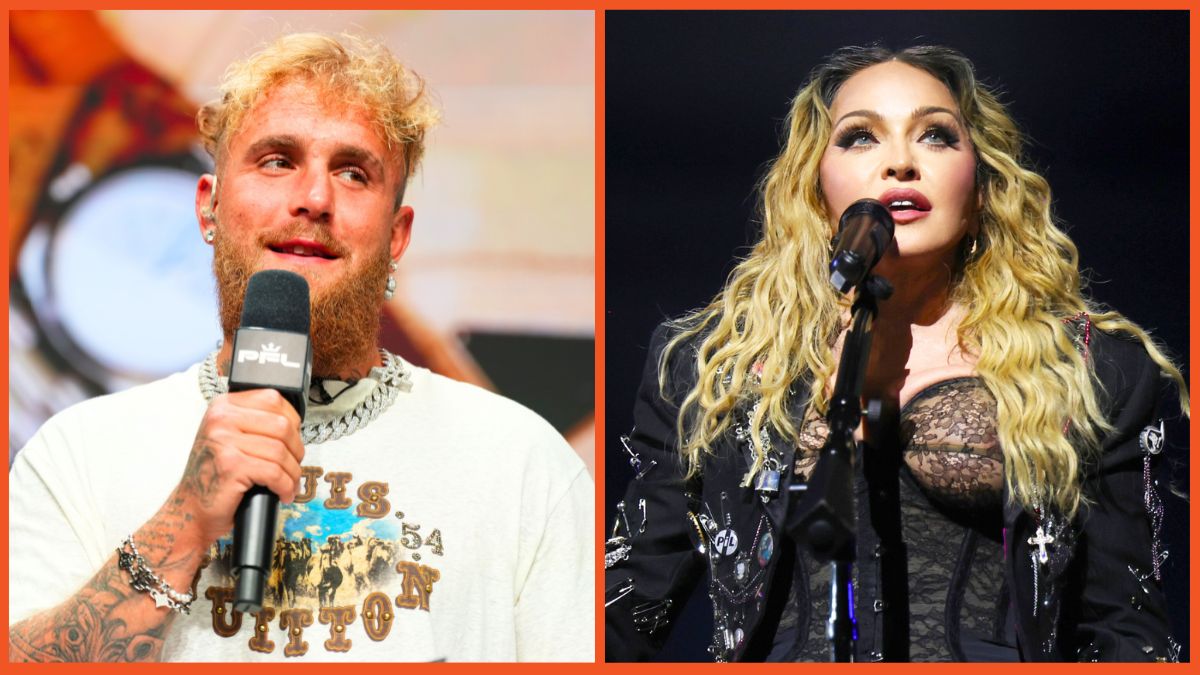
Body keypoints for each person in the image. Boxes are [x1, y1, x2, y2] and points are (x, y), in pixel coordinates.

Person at [8, 32, 594, 662]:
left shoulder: (523, 461)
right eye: (277, 160)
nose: (314, 199)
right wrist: (184, 520)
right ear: (208, 209)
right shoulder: (79, 451)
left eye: (353, 172)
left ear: (397, 237)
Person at [604, 44, 1187, 662]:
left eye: (936, 136)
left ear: (984, 185)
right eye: (861, 138)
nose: (901, 163)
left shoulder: (1088, 370)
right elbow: (630, 605)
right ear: (812, 182)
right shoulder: (713, 367)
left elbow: (1124, 629)